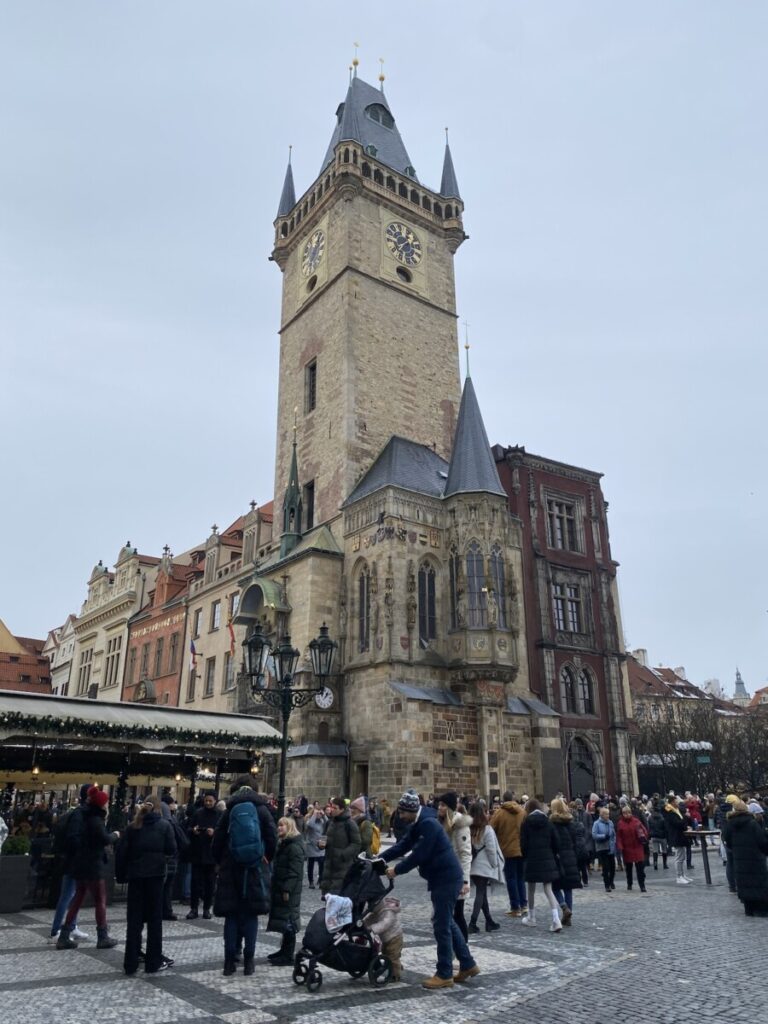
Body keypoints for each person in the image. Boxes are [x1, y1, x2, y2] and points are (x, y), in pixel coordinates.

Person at [383, 790, 479, 990]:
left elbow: (419, 854)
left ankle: (444, 974)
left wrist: (396, 870)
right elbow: (403, 846)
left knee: (441, 926)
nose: (400, 817)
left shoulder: (428, 823)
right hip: (443, 877)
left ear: (410, 811)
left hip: (446, 878)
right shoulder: (421, 822)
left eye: (401, 813)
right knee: (447, 922)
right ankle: (468, 964)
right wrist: (380, 858)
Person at [212, 776, 277, 976]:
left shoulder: (229, 810)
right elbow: (272, 838)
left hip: (230, 869)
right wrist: (266, 857)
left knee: (231, 916)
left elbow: (217, 839)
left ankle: (229, 963)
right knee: (250, 916)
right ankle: (249, 962)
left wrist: (220, 860)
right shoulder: (262, 809)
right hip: (255, 869)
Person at [118, 797, 176, 975]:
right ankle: (153, 962)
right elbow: (171, 849)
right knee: (154, 921)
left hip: (136, 877)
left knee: (134, 921)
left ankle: (130, 963)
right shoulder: (165, 826)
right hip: (156, 877)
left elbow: (122, 853)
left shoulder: (132, 828)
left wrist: (121, 876)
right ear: (159, 809)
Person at [57, 786, 120, 950]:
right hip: (92, 864)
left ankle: (64, 935)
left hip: (81, 863)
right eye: (106, 803)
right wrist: (116, 835)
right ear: (101, 805)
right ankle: (102, 936)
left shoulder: (85, 816)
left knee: (78, 897)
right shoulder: (95, 820)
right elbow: (104, 839)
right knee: (100, 899)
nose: (108, 805)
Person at [48, 783, 92, 944]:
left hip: (75, 860)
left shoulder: (81, 814)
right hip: (73, 861)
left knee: (74, 895)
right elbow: (74, 838)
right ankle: (56, 931)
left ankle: (71, 926)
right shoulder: (79, 815)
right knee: (67, 896)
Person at [266, 816, 307, 965]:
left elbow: (295, 871)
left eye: (282, 826)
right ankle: (284, 950)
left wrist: (286, 889)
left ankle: (288, 955)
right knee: (284, 919)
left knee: (289, 920)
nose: (279, 828)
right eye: (278, 825)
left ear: (289, 827)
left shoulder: (294, 846)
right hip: (281, 886)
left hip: (289, 890)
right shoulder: (284, 844)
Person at [520, 798, 563, 932]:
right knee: (548, 889)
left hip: (532, 859)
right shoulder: (548, 822)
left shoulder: (526, 823)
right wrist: (553, 853)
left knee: (531, 889)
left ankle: (531, 917)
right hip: (547, 858)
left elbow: (523, 844)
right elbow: (556, 842)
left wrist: (526, 856)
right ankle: (556, 920)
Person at [722, 799, 768, 915]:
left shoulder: (729, 823)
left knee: (744, 882)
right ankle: (761, 909)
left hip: (739, 857)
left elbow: (726, 839)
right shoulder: (752, 823)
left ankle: (749, 909)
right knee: (758, 882)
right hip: (755, 857)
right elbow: (761, 841)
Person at [437, 791, 472, 940]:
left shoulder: (459, 824)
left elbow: (465, 854)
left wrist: (465, 881)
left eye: (443, 805)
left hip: (457, 876)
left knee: (458, 914)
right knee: (446, 916)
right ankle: (454, 951)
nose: (439, 807)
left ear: (450, 807)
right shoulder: (441, 822)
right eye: (439, 804)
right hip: (445, 875)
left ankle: (463, 950)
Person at [467, 801, 504, 933]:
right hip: (483, 866)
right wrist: (495, 864)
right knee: (480, 893)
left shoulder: (468, 829)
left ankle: (489, 921)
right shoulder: (487, 830)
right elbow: (491, 850)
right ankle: (472, 922)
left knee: (482, 894)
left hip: (472, 865)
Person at [490, 790, 527, 917]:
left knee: (511, 878)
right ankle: (524, 904)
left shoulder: (499, 813)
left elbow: (491, 829)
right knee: (520, 877)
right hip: (521, 849)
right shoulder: (522, 812)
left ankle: (515, 907)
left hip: (507, 850)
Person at [186, 792, 221, 919]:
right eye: (206, 800)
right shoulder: (198, 813)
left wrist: (214, 833)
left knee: (210, 884)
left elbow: (223, 833)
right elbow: (188, 829)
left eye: (210, 801)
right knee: (195, 883)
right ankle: (193, 908)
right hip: (198, 853)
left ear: (215, 801)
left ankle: (207, 908)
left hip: (211, 855)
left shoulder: (219, 815)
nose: (208, 803)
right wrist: (194, 831)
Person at [549, 798, 583, 924]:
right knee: (568, 888)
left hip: (558, 858)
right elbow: (575, 842)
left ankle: (564, 907)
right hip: (570, 857)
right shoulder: (570, 822)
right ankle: (568, 915)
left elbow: (552, 842)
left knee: (555, 886)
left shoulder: (552, 824)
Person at [319, 797, 361, 896]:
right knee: (328, 898)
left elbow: (356, 844)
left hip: (343, 867)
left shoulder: (350, 824)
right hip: (329, 867)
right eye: (331, 807)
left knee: (338, 897)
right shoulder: (330, 822)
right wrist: (321, 844)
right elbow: (324, 837)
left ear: (342, 809)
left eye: (335, 808)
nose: (332, 810)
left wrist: (342, 855)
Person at [616, 803, 649, 893]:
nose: (627, 814)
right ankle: (629, 883)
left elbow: (644, 831)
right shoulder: (620, 823)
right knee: (628, 868)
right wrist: (620, 846)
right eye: (625, 813)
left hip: (638, 847)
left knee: (640, 869)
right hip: (627, 848)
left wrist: (643, 837)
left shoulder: (636, 821)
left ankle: (642, 885)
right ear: (622, 814)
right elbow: (619, 836)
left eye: (628, 813)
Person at [663, 797, 693, 885]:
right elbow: (677, 823)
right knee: (679, 858)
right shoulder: (670, 812)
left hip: (680, 835)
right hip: (676, 836)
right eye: (676, 801)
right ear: (672, 802)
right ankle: (679, 876)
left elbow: (680, 823)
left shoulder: (675, 810)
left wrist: (685, 826)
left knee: (682, 857)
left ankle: (682, 875)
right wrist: (685, 818)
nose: (678, 803)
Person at [592, 805, 617, 893]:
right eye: (606, 814)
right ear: (602, 815)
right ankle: (607, 885)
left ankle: (611, 881)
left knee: (612, 867)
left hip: (610, 847)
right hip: (602, 848)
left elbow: (613, 834)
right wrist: (603, 836)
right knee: (605, 868)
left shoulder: (610, 823)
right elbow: (594, 835)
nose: (608, 816)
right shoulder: (596, 823)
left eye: (608, 814)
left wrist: (614, 842)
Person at [303, 804, 327, 889]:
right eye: (318, 813)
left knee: (321, 864)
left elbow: (328, 823)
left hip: (320, 845)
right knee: (311, 864)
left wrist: (323, 815)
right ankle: (311, 881)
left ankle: (320, 880)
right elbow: (311, 825)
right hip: (311, 845)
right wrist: (314, 814)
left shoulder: (322, 821)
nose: (319, 814)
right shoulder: (310, 820)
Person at [648, 800, 669, 870]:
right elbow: (665, 827)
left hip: (654, 836)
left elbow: (649, 827)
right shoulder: (662, 818)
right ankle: (665, 864)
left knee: (655, 851)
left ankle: (655, 864)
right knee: (664, 850)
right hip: (662, 836)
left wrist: (650, 834)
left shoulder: (650, 818)